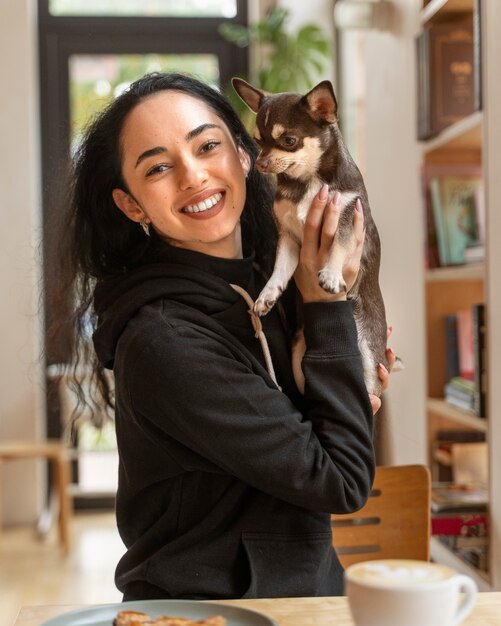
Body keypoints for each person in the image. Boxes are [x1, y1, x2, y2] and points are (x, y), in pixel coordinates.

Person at [50, 72, 395, 601]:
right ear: (132, 206)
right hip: (206, 610)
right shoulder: (163, 341)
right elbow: (342, 481)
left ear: (242, 156)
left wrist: (347, 382)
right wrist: (327, 319)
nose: (193, 176)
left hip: (306, 597)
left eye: (207, 145)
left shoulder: (269, 290)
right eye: (159, 167)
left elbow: (320, 445)